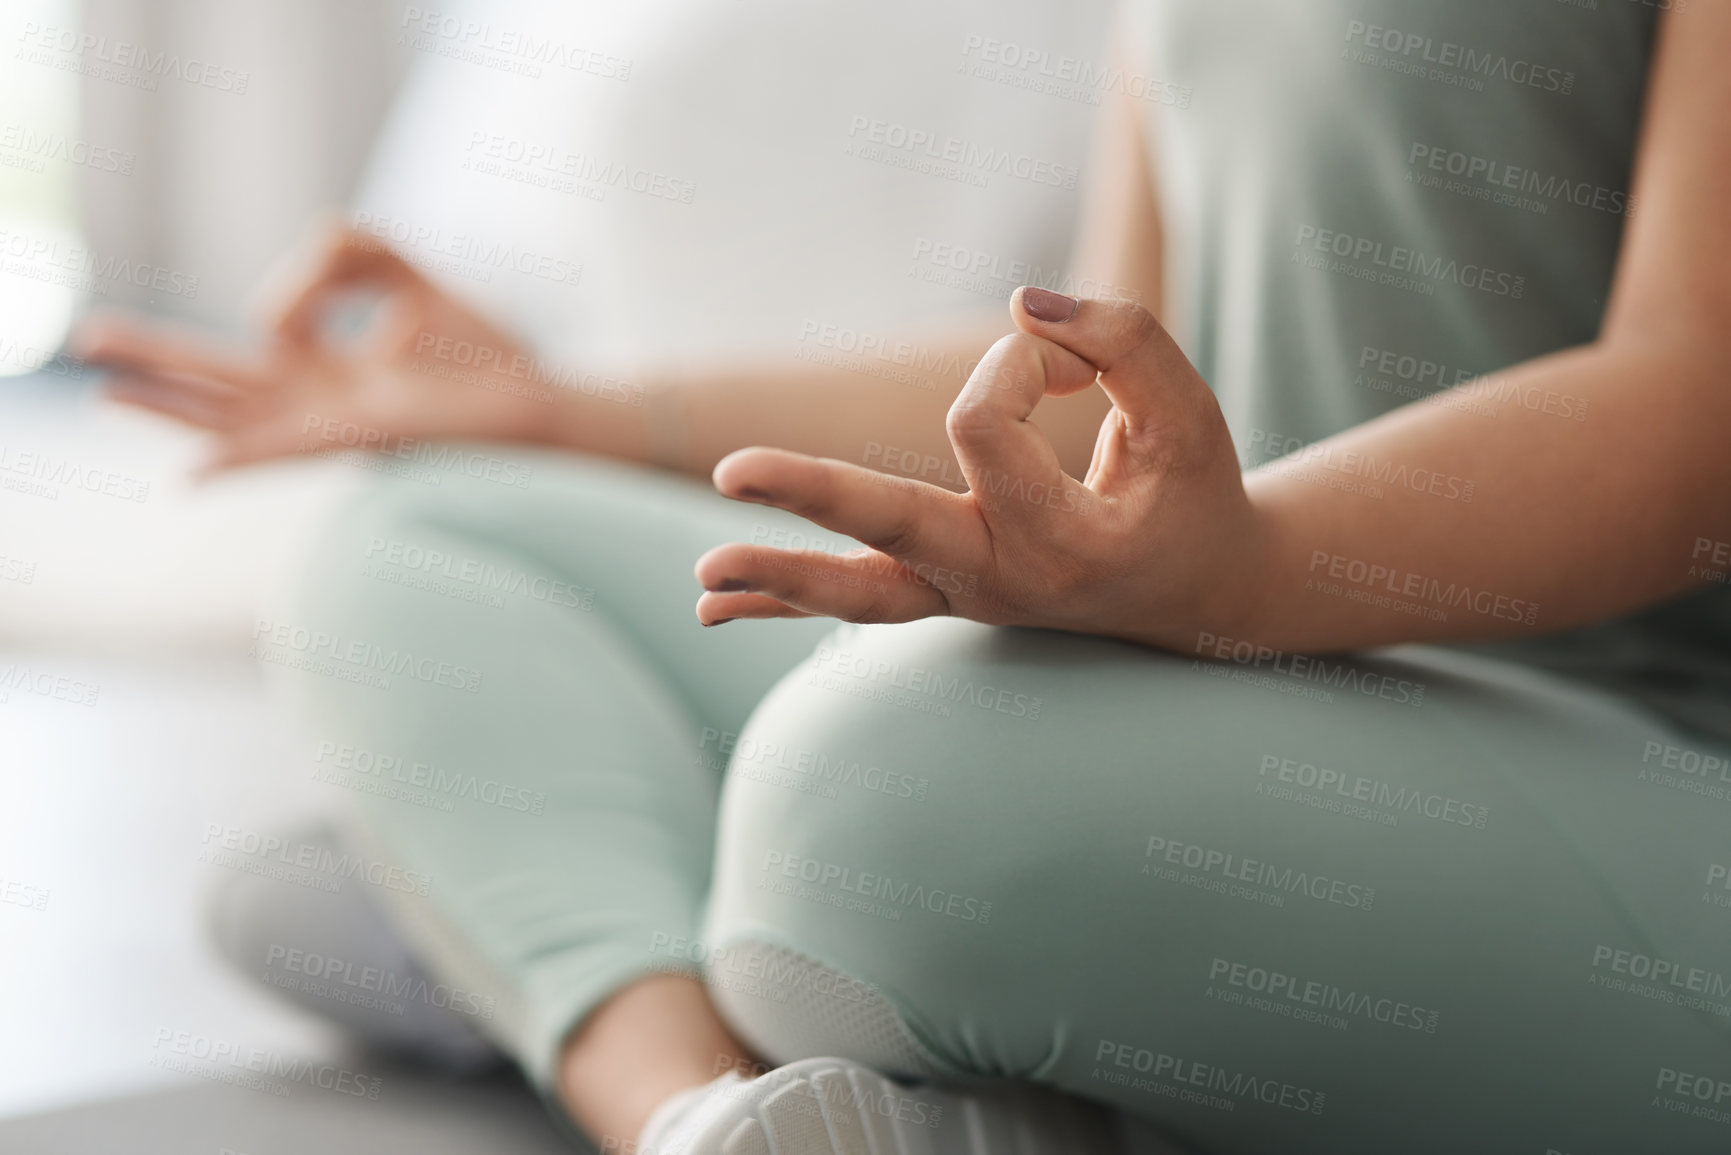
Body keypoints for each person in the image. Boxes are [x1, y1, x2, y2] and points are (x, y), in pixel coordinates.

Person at [78, 0, 1731, 1151]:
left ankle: (615, 910)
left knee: (864, 800)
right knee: (431, 529)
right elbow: (1088, 358)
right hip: (1233, 692)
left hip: (1622, 778)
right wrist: (559, 415)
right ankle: (710, 1117)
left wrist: (1237, 574)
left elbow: (1694, 407)